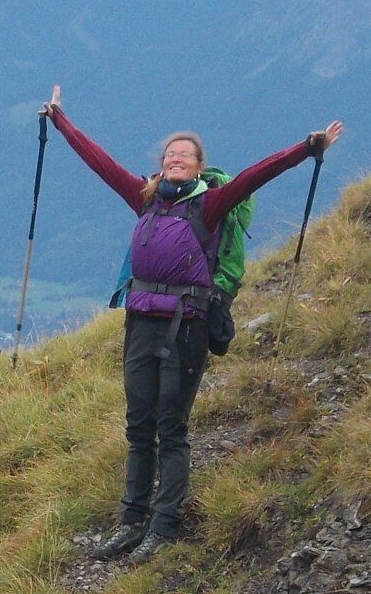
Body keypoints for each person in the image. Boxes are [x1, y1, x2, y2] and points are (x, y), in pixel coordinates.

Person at [41, 92, 341, 563]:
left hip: (186, 328)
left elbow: (253, 177)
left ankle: (163, 527)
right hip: (141, 324)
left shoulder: (211, 205)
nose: (175, 158)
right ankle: (130, 523)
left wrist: (306, 148)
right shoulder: (145, 199)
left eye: (184, 155)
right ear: (161, 166)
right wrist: (60, 122)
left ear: (199, 168)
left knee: (171, 426)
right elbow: (99, 162)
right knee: (139, 426)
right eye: (169, 155)